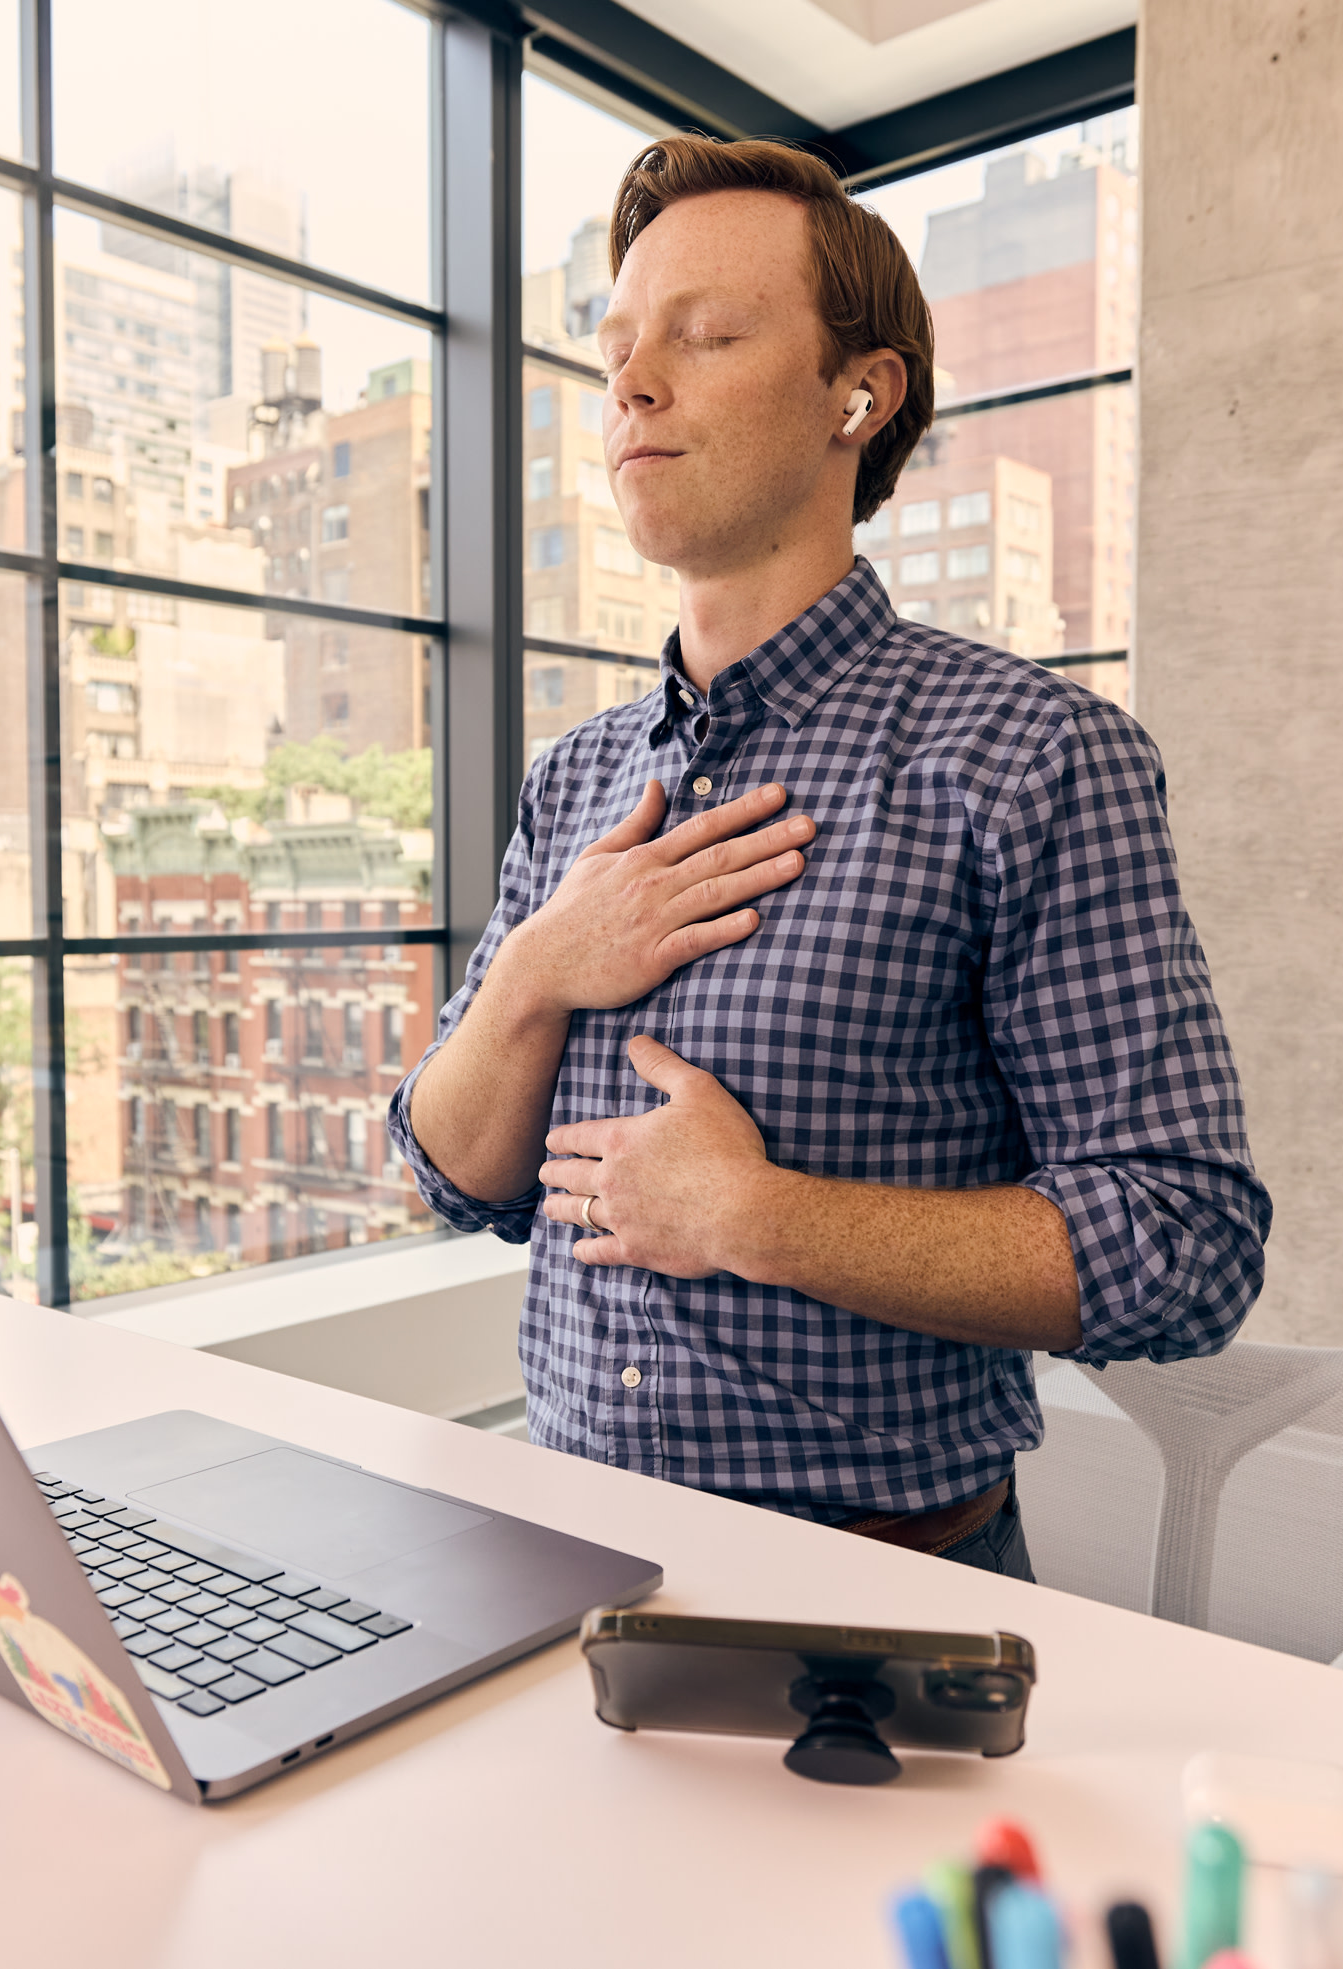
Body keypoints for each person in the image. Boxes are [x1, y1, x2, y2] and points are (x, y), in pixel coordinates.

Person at [387, 135, 1269, 1578]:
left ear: (861, 394)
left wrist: (758, 1215)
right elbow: (454, 1176)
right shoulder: (579, 781)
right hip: (568, 1559)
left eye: (707, 333)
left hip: (878, 1598)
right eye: (618, 346)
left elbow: (1184, 1241)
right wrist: (539, 969)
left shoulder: (1031, 759)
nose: (631, 383)